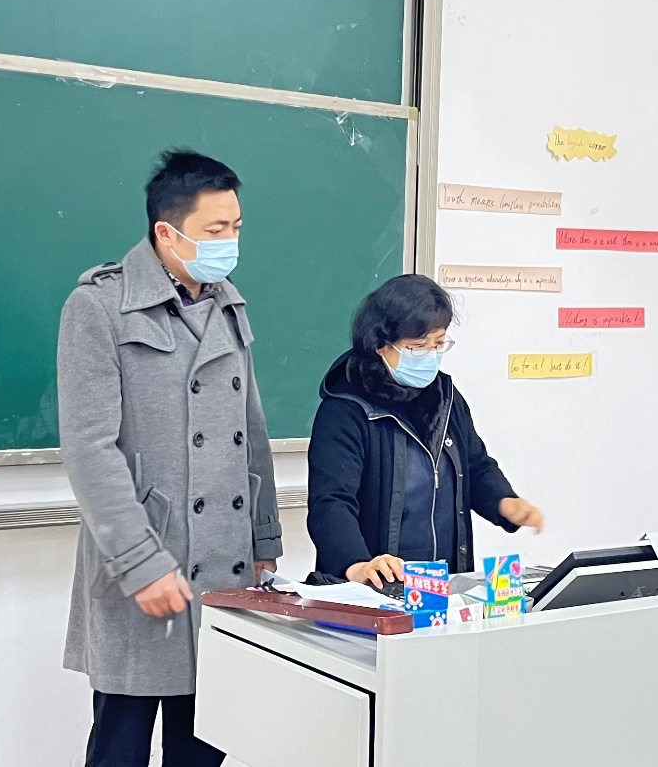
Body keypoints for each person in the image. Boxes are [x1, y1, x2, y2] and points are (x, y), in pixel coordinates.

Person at [58, 149, 282, 767]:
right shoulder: (100, 306)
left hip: (226, 564)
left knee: (205, 745)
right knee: (121, 746)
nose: (230, 242)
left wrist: (263, 540)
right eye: (216, 229)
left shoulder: (228, 301)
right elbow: (89, 448)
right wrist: (141, 562)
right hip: (147, 561)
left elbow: (252, 430)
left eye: (236, 227)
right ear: (167, 231)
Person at [307, 274, 543, 588]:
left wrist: (503, 502)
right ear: (380, 345)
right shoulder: (346, 409)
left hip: (443, 580)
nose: (431, 355)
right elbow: (331, 502)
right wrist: (356, 564)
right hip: (376, 584)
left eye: (439, 343)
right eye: (418, 347)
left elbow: (475, 466)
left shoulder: (445, 398)